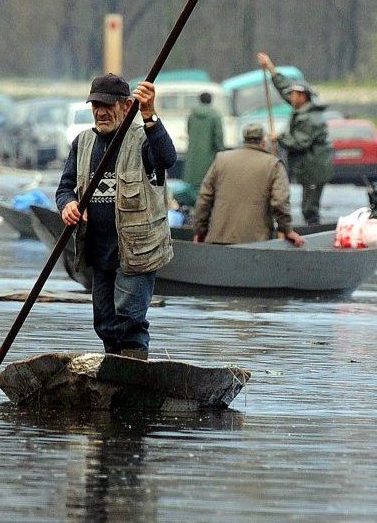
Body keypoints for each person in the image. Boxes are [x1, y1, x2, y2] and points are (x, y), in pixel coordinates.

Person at [55, 74, 176, 360]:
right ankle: (113, 374)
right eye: (96, 105)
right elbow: (64, 188)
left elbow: (166, 158)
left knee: (129, 320)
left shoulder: (142, 140)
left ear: (125, 106)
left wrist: (150, 116)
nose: (100, 111)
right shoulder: (83, 142)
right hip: (99, 252)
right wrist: (68, 205)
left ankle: (131, 375)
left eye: (107, 105)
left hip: (137, 251)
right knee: (105, 324)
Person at [193, 122, 306, 247]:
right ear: (264, 141)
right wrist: (287, 230)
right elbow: (280, 201)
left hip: (219, 238)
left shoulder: (221, 159)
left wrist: (200, 230)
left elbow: (204, 197)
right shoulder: (273, 164)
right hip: (257, 242)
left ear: (244, 140)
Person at [257, 52, 333, 225]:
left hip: (315, 169)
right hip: (308, 167)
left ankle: (314, 235)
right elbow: (285, 88)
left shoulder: (311, 118)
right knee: (307, 206)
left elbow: (300, 142)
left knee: (310, 208)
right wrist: (271, 69)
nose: (289, 97)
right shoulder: (303, 108)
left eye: (293, 95)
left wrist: (279, 137)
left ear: (302, 97)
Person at [182, 91, 224, 192]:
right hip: (208, 157)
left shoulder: (192, 114)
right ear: (211, 101)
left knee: (192, 186)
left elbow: (188, 131)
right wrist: (221, 152)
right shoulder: (215, 115)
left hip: (192, 155)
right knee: (207, 185)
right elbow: (218, 137)